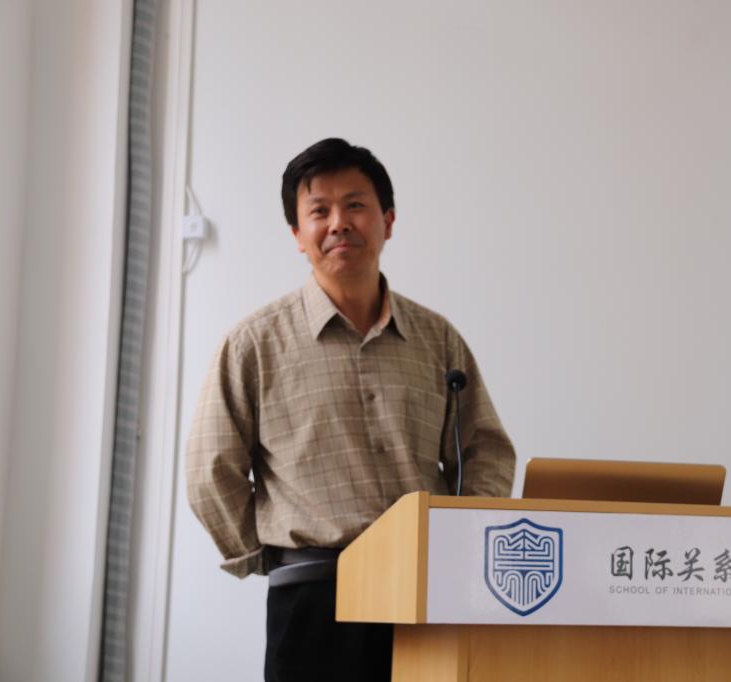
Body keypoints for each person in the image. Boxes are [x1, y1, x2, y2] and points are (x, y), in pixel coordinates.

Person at [185, 138, 516, 682]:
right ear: (297, 234)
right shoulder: (254, 344)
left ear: (388, 221)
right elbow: (210, 469)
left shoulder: (437, 339)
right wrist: (265, 555)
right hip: (315, 601)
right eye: (319, 211)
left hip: (424, 595)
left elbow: (485, 450)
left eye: (355, 205)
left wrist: (461, 542)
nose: (339, 223)